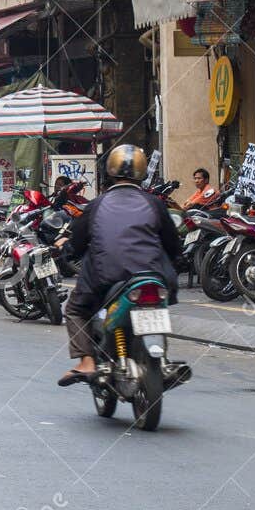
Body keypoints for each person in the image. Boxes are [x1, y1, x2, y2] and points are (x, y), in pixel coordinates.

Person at [56, 144, 181, 386]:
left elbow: (77, 244)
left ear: (110, 171)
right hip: (154, 277)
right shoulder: (154, 204)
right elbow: (174, 245)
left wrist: (66, 249)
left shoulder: (97, 204)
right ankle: (163, 359)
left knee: (74, 309)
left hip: (108, 277)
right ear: (142, 172)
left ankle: (87, 362)